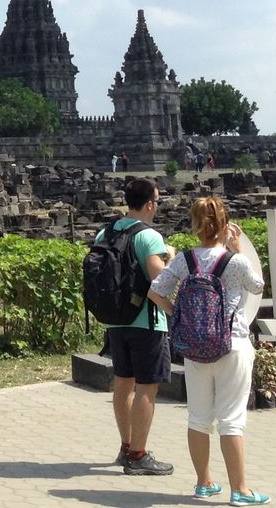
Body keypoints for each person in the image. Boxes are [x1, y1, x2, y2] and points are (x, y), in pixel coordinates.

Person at [148, 197, 268, 504]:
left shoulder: (184, 260)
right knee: (231, 420)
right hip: (232, 343)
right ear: (226, 226)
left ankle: (204, 482)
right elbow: (257, 286)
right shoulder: (235, 261)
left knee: (198, 417)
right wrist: (238, 249)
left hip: (195, 346)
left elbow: (155, 292)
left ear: (195, 225)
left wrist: (179, 317)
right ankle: (240, 490)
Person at [99, 178, 176, 475]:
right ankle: (139, 455)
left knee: (123, 382)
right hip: (146, 321)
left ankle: (126, 446)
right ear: (150, 204)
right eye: (157, 200)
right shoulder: (149, 236)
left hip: (115, 320)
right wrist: (171, 258)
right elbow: (161, 282)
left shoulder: (105, 232)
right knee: (147, 386)